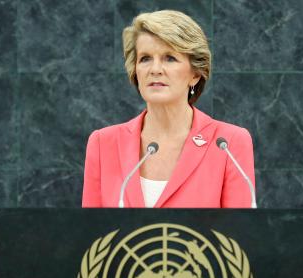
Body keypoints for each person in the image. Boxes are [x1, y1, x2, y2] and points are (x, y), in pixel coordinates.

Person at [82, 10, 255, 208]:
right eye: (145, 58)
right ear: (135, 70)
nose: (155, 69)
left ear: (195, 74)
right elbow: (91, 233)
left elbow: (239, 235)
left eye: (169, 58)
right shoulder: (103, 143)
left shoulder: (228, 143)